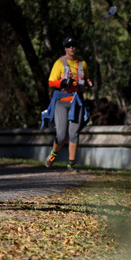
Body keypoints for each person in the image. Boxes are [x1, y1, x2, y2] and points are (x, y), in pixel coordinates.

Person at [41, 36, 93, 172]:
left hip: (77, 102)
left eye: (74, 46)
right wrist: (63, 83)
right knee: (62, 134)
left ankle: (71, 164)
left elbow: (86, 79)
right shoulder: (59, 63)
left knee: (74, 133)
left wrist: (88, 83)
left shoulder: (82, 64)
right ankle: (53, 155)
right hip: (61, 103)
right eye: (69, 46)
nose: (72, 48)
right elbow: (51, 82)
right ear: (65, 48)